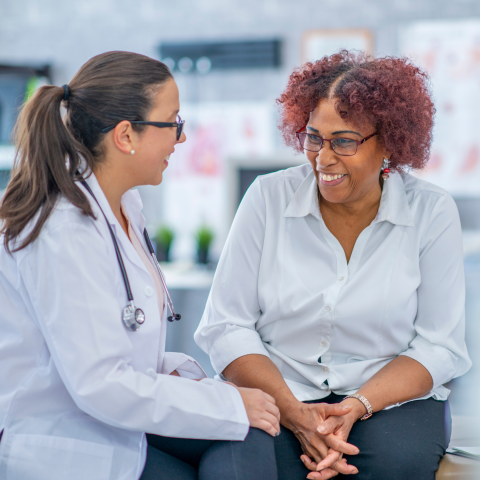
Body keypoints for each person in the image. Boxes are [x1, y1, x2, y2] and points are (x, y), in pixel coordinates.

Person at [0, 51, 296, 480]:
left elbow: (114, 339)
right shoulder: (63, 229)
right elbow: (100, 383)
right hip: (68, 441)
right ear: (126, 135)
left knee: (250, 435)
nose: (181, 139)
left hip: (113, 419)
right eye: (173, 123)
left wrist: (195, 383)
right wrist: (228, 403)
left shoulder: (124, 205)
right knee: (244, 424)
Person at [194, 50, 472, 480]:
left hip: (387, 401)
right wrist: (292, 412)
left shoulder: (431, 212)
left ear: (389, 144)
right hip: (276, 390)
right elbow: (227, 326)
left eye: (343, 141)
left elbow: (439, 345)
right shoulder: (268, 199)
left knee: (392, 465)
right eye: (313, 138)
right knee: (250, 464)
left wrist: (355, 405)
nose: (323, 159)